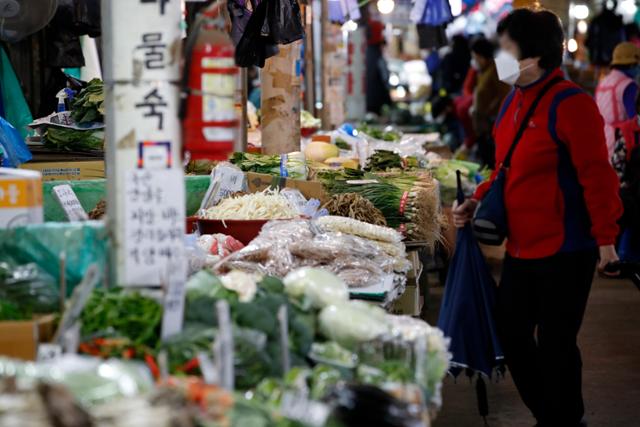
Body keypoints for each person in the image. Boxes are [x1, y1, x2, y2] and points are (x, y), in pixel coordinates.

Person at [452, 8, 622, 427]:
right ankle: (553, 415)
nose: (500, 57)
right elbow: (504, 169)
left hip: (567, 249)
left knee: (557, 344)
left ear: (534, 54)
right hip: (522, 247)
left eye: (506, 48)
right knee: (511, 334)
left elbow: (598, 178)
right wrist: (477, 200)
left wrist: (606, 241)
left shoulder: (572, 105)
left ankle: (564, 419)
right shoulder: (513, 101)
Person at [469, 37, 511, 167]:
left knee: (492, 164)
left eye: (476, 58)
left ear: (482, 56)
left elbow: (504, 96)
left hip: (491, 127)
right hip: (482, 127)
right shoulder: (483, 71)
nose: (475, 61)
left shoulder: (497, 70)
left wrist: (487, 113)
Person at [595, 41, 640, 158]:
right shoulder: (628, 85)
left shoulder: (603, 82)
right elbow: (634, 120)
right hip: (620, 141)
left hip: (601, 139)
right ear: (632, 64)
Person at [366, 20, 392, 115]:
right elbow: (385, 77)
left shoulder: (365, 53)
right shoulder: (376, 55)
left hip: (366, 101)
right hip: (376, 101)